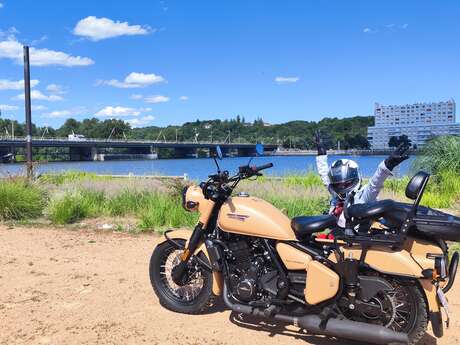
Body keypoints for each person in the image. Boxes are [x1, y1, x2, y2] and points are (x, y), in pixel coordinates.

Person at [314, 131, 410, 228]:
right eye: (338, 184)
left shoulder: (363, 196)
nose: (341, 187)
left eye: (345, 184)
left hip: (355, 238)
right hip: (335, 235)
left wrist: (388, 164)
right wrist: (321, 154)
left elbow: (375, 184)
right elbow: (325, 176)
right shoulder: (336, 195)